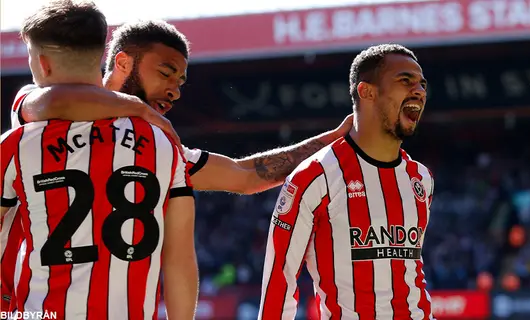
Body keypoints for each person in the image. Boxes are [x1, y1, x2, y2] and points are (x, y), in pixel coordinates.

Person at [2, 19, 352, 313]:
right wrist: (137, 108)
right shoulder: (152, 142)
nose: (174, 90)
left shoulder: (157, 146)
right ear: (121, 62)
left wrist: (331, 141)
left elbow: (246, 177)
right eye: (166, 73)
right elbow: (43, 100)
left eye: (180, 82)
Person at [0, 1, 198, 319]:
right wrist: (140, 109)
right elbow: (179, 261)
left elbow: (48, 100)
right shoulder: (163, 142)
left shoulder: (18, 139)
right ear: (101, 58)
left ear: (43, 64)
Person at [258, 44, 435, 320]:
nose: (419, 90)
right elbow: (279, 281)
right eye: (405, 80)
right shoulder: (314, 177)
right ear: (367, 91)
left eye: (422, 84)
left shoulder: (421, 178)